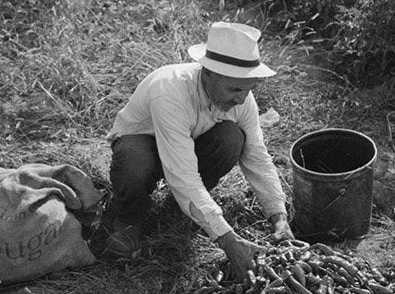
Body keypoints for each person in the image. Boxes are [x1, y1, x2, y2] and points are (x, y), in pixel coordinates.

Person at [103, 20, 293, 280]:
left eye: (247, 89)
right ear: (208, 73)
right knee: (134, 161)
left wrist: (278, 216)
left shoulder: (242, 98)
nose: (241, 98)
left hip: (187, 146)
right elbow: (182, 174)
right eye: (235, 89)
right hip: (144, 144)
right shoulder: (170, 91)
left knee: (232, 139)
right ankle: (128, 219)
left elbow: (257, 156)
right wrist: (228, 240)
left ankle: (185, 205)